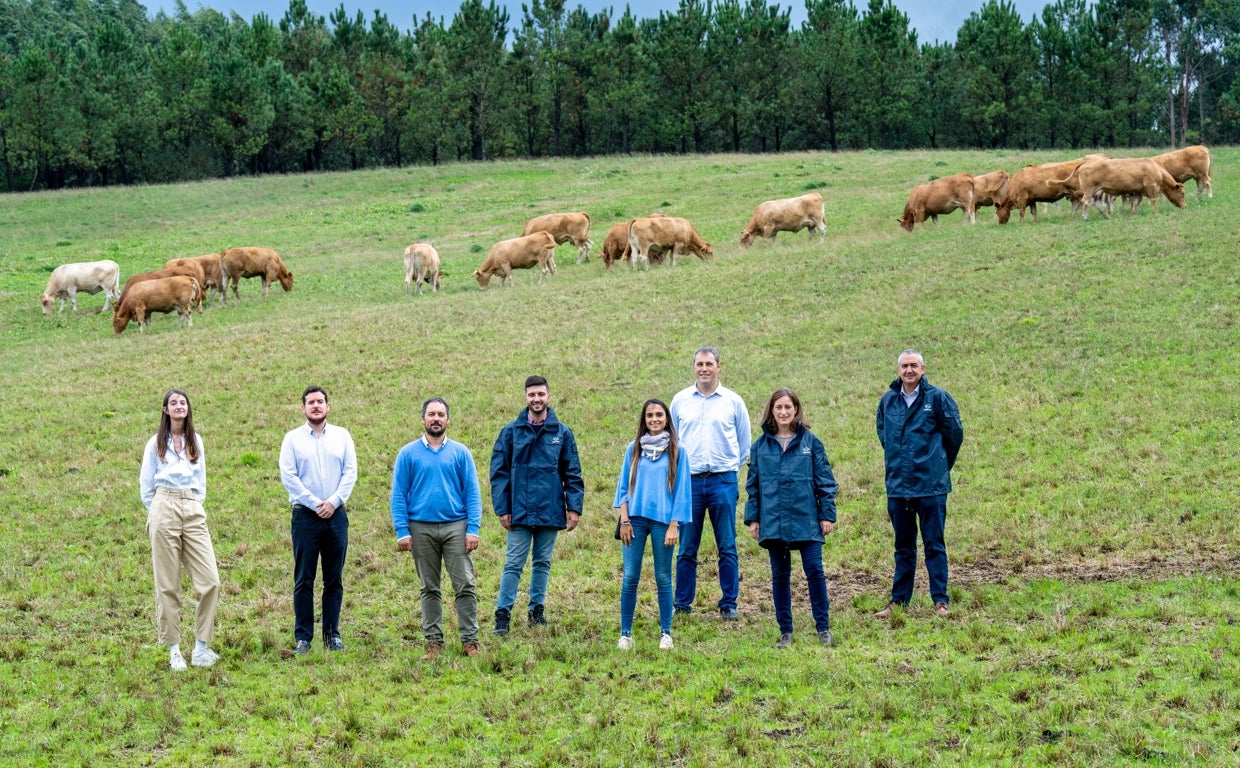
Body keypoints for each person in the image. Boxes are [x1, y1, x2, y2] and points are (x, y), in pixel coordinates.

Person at [489, 375, 585, 635]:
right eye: (532, 395)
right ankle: (503, 613)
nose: (536, 399)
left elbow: (572, 472)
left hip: (550, 509)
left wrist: (574, 508)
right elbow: (499, 473)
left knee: (542, 562)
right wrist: (503, 508)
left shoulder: (562, 433)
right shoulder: (511, 432)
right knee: (514, 563)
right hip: (518, 511)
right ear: (525, 397)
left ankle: (536, 610)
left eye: (541, 394)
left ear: (548, 396)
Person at [390, 397, 484, 659]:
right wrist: (402, 530)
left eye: (441, 414)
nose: (436, 419)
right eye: (431, 414)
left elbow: (472, 494)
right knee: (429, 587)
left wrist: (472, 528)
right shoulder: (407, 454)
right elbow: (399, 494)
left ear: (448, 420)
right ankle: (434, 643)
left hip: (456, 527)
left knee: (464, 584)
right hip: (421, 530)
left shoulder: (461, 453)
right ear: (423, 419)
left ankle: (470, 641)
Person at [744, 388, 839, 647]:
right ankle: (786, 631)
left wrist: (826, 515)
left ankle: (823, 628)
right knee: (780, 575)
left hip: (806, 518)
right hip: (773, 520)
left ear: (796, 409)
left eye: (788, 407)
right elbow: (753, 486)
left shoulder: (811, 443)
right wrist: (754, 519)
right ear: (771, 411)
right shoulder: (760, 447)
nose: (784, 412)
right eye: (779, 408)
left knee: (815, 571)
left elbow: (826, 482)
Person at [874, 349, 964, 618]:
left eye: (914, 365)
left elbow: (954, 434)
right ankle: (899, 601)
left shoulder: (937, 398)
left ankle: (940, 600)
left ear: (923, 369)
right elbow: (884, 435)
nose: (909, 370)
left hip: (931, 487)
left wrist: (938, 463)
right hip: (899, 486)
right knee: (903, 547)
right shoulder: (888, 401)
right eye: (904, 366)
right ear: (898, 370)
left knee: (934, 543)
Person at [139, 389, 221, 672]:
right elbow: (146, 485)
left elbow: (202, 481)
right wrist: (158, 511)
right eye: (173, 403)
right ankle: (175, 651)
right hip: (163, 505)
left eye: (182, 402)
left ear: (188, 409)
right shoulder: (155, 443)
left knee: (210, 580)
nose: (178, 406)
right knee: (167, 582)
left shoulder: (195, 441)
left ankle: (200, 648)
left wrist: (193, 505)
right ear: (165, 409)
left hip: (192, 506)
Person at [670, 346, 751, 620]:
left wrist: (729, 470)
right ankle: (682, 604)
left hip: (722, 481)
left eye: (709, 364)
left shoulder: (733, 401)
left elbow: (744, 443)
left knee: (727, 545)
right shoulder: (680, 401)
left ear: (719, 366)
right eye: (699, 364)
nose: (704, 368)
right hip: (689, 483)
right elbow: (673, 441)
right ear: (693, 366)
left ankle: (729, 602)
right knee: (686, 548)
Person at [279, 386, 358, 654]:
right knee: (304, 578)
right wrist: (315, 503)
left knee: (334, 579)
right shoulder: (292, 439)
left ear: (328, 407)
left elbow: (350, 472)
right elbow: (289, 476)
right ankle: (303, 637)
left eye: (320, 402)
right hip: (305, 517)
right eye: (311, 402)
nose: (316, 406)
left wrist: (333, 502)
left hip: (336, 516)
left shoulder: (342, 436)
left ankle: (331, 635)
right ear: (303, 408)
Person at [613, 399, 693, 650]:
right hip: (634, 520)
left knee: (663, 576)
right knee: (630, 576)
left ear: (667, 418)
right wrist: (624, 520)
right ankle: (626, 633)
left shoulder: (678, 451)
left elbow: (682, 491)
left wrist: (674, 525)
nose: (654, 419)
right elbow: (623, 488)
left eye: (659, 414)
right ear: (644, 420)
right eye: (650, 415)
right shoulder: (633, 449)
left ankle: (665, 633)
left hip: (663, 522)